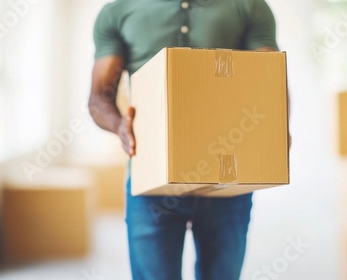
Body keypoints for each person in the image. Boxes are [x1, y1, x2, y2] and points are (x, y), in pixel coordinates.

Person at [88, 0, 279, 279]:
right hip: (150, 180)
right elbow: (98, 98)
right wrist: (119, 126)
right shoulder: (119, 11)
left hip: (226, 177)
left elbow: (269, 79)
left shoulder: (247, 6)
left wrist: (274, 126)